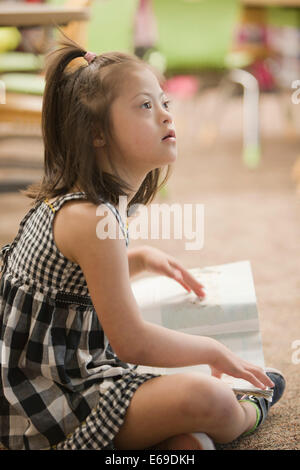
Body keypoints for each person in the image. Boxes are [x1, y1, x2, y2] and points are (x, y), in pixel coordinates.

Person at [0, 31, 285, 451]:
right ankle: (248, 410)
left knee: (192, 431)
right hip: (47, 406)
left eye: (164, 103)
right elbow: (131, 340)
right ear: (96, 132)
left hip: (67, 374)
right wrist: (211, 350)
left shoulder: (93, 206)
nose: (167, 116)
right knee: (208, 398)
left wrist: (140, 258)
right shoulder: (91, 217)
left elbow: (73, 284)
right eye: (145, 106)